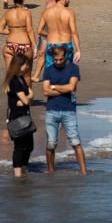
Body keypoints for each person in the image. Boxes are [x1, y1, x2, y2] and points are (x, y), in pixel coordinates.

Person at [43, 45, 87, 175]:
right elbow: (45, 91)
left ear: (65, 57)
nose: (58, 62)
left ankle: (84, 172)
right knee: (51, 144)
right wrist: (63, 89)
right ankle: (50, 171)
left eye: (60, 59)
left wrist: (54, 86)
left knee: (75, 142)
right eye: (55, 59)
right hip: (51, 110)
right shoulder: (48, 70)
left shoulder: (73, 68)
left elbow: (71, 87)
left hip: (69, 110)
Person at [34, 0, 81, 82]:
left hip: (51, 44)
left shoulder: (46, 12)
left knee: (50, 71)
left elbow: (39, 31)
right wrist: (78, 50)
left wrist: (50, 34)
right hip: (66, 45)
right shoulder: (69, 12)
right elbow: (74, 32)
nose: (69, 0)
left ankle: (52, 89)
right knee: (66, 73)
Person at [4, 53, 35, 178]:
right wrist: (27, 99)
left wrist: (27, 98)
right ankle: (18, 174)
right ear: (19, 65)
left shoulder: (21, 78)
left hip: (25, 115)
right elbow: (28, 99)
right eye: (25, 64)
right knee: (20, 146)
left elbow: (30, 96)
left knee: (29, 146)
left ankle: (24, 168)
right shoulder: (14, 81)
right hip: (17, 117)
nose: (27, 67)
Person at [0, 0, 35, 79]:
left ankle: (11, 92)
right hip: (24, 45)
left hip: (10, 45)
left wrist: (12, 31)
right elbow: (29, 30)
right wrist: (35, 46)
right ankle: (27, 93)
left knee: (10, 75)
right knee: (27, 76)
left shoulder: (8, 13)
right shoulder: (27, 12)